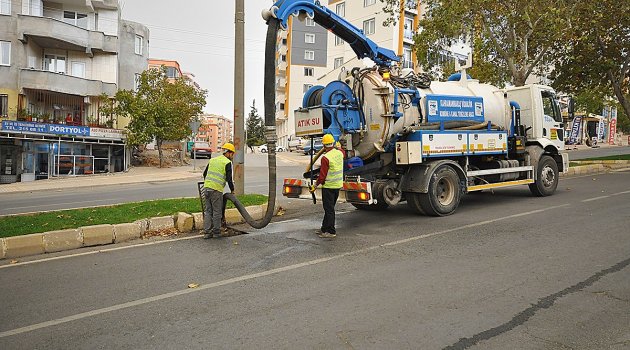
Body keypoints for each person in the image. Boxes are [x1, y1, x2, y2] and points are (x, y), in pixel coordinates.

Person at [309, 134, 344, 238]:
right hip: (337, 186)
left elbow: (322, 176)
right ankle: (324, 229)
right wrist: (339, 147)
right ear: (333, 143)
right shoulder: (340, 153)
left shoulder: (325, 158)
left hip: (328, 187)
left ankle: (331, 232)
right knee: (329, 208)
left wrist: (315, 186)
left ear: (324, 145)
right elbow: (343, 152)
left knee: (329, 210)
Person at [202, 143, 235, 239]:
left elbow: (205, 174)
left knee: (208, 211)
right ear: (229, 153)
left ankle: (207, 232)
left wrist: (209, 183)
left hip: (207, 187)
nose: (232, 156)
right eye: (232, 154)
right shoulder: (227, 162)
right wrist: (232, 190)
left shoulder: (213, 160)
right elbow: (229, 179)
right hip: (216, 189)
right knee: (217, 211)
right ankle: (216, 232)